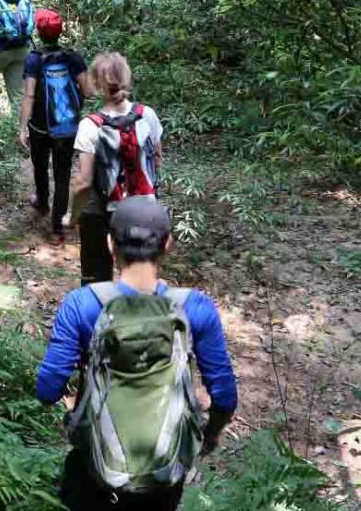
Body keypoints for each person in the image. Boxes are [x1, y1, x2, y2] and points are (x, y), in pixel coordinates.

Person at [35, 198, 237, 511]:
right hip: (164, 473)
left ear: (109, 243)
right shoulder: (195, 308)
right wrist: (208, 436)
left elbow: (48, 389)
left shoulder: (81, 304)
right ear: (168, 244)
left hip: (95, 468)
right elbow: (224, 397)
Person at [70, 52, 162, 285]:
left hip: (109, 212)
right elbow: (156, 160)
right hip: (146, 210)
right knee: (140, 278)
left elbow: (84, 182)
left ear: (98, 84)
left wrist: (71, 216)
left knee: (96, 280)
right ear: (126, 79)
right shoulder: (147, 115)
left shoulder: (89, 126)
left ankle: (95, 306)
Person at [19, 8, 90, 243]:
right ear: (60, 31)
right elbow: (88, 90)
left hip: (40, 127)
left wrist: (23, 127)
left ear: (38, 32)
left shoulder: (34, 59)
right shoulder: (73, 57)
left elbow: (29, 96)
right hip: (67, 127)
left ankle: (41, 199)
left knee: (40, 165)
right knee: (62, 172)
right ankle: (57, 228)